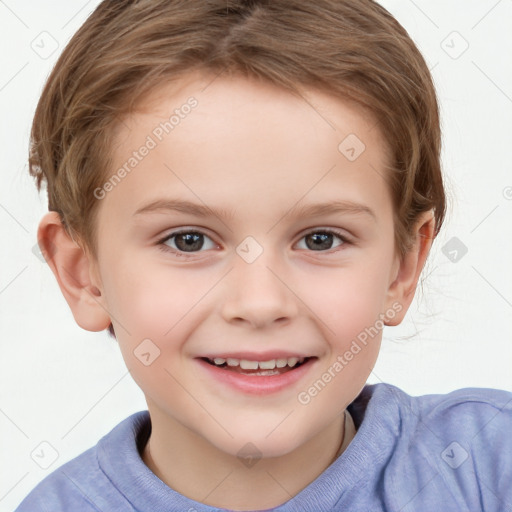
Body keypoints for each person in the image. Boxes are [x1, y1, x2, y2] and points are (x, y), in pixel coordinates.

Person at [15, 0, 512, 511]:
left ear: (402, 268)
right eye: (189, 240)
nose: (259, 303)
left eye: (321, 239)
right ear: (83, 275)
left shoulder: (490, 467)